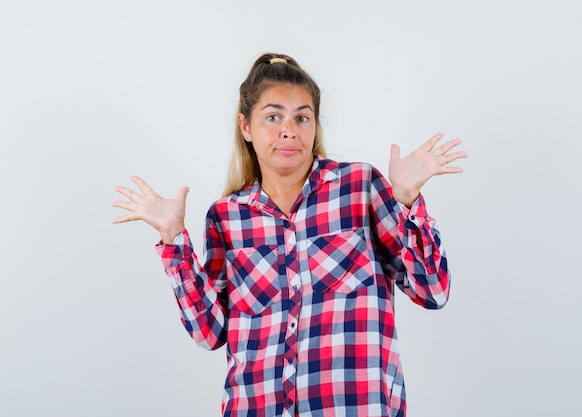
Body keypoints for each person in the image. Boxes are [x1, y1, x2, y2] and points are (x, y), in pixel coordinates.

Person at [112, 52, 466, 417]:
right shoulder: (227, 217)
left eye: (302, 117)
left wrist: (407, 201)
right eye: (273, 117)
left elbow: (433, 291)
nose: (288, 130)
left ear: (314, 126)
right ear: (245, 127)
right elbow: (210, 332)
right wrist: (173, 239)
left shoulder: (360, 188)